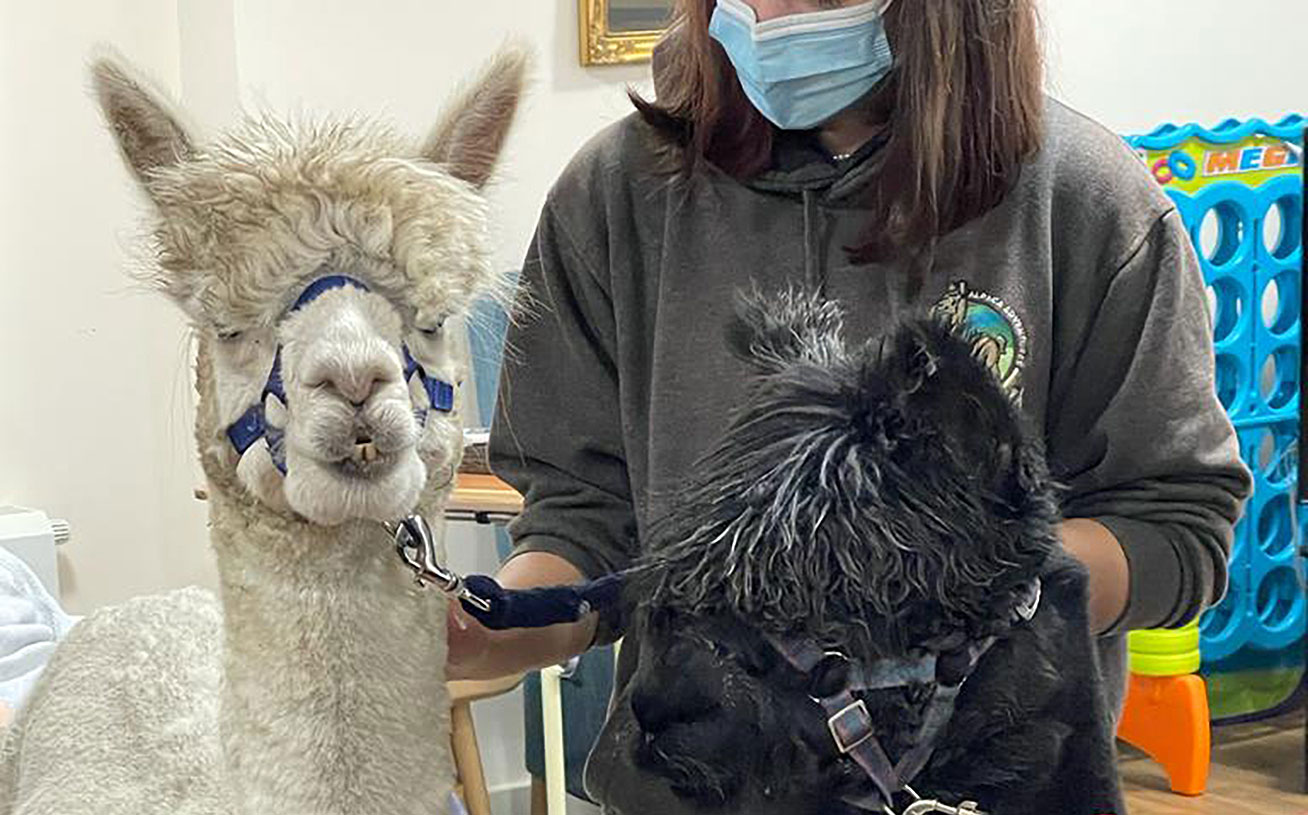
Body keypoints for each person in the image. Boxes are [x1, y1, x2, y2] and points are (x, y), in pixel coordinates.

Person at [452, 0, 1252, 799]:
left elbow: (1174, 525)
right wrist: (498, 626)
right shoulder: (616, 195)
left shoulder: (1085, 202)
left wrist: (948, 588)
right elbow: (584, 520)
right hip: (697, 788)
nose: (772, 13)